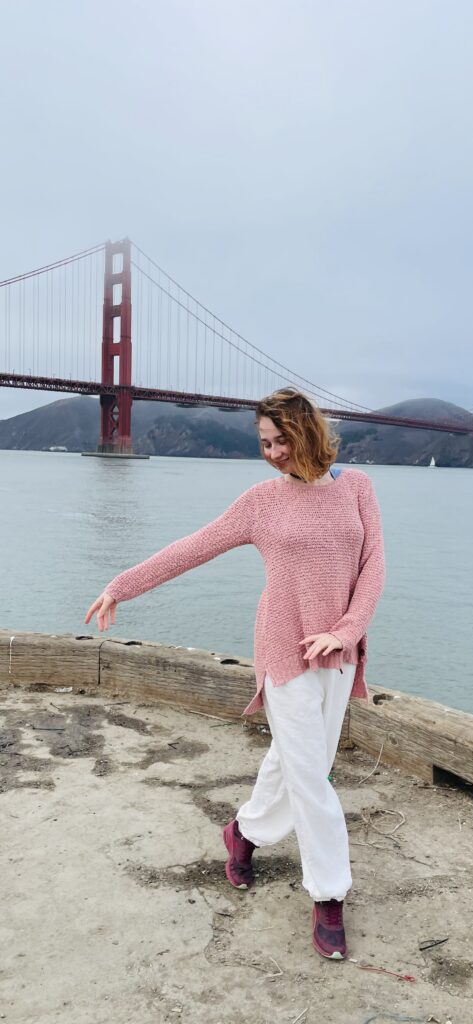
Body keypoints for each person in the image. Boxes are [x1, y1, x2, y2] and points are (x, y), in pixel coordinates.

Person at [85, 388, 385, 960]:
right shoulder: (261, 502)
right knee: (312, 782)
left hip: (339, 653)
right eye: (264, 443)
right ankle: (329, 896)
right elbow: (192, 548)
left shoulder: (359, 488)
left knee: (299, 763)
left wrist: (345, 632)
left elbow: (374, 568)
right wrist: (119, 585)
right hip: (285, 650)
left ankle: (242, 833)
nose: (272, 453)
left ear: (309, 434)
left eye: (281, 441)